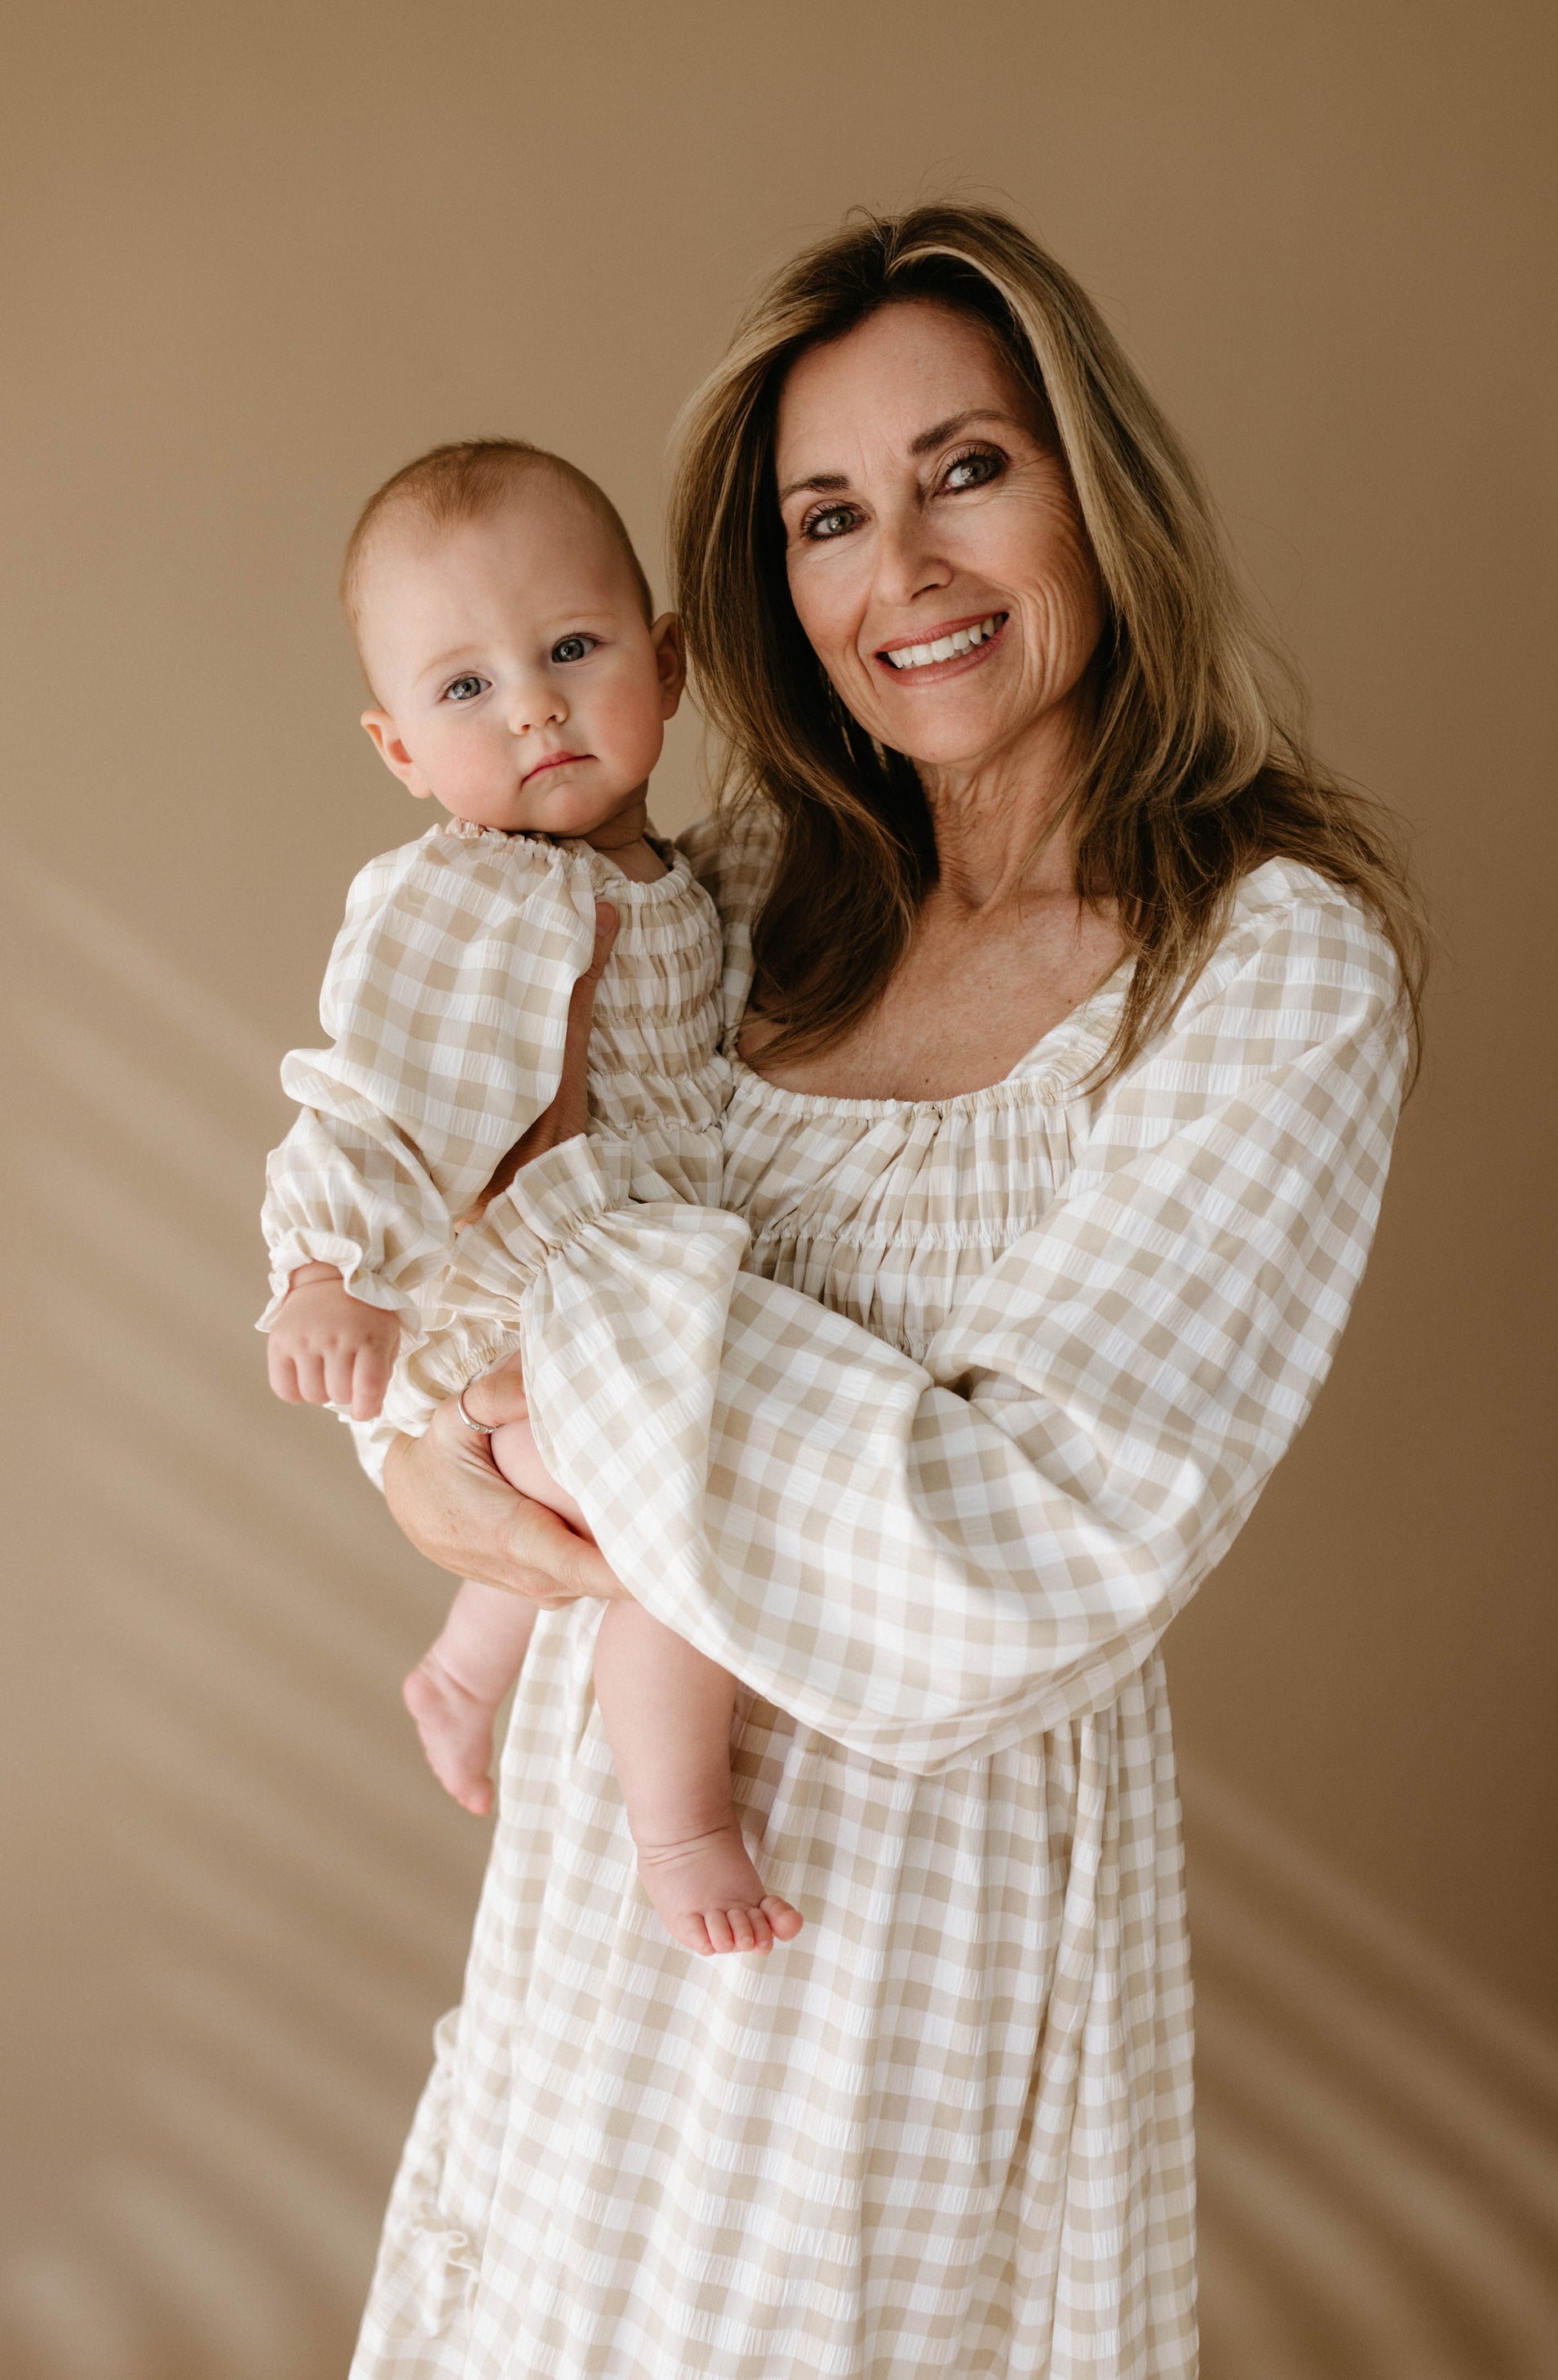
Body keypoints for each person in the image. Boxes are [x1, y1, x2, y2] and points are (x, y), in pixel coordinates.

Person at [350, 206, 1426, 2379]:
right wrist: (423, 1454)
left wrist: (568, 1359)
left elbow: (1014, 1555)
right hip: (603, 1856)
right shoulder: (735, 898)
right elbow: (448, 1184)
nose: (900, 573)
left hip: (888, 1911)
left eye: (967, 469)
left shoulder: (1264, 966)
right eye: (829, 514)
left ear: (1094, 489)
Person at [260, 438, 801, 1954]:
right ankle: (681, 1826)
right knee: (674, 1514)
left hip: (625, 1292)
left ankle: (465, 1661)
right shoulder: (472, 894)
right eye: (465, 689)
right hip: (531, 1292)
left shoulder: (673, 880)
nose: (534, 705)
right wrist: (328, 1272)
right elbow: (374, 1091)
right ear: (400, 753)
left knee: (629, 1488)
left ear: (667, 661)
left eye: (571, 649)